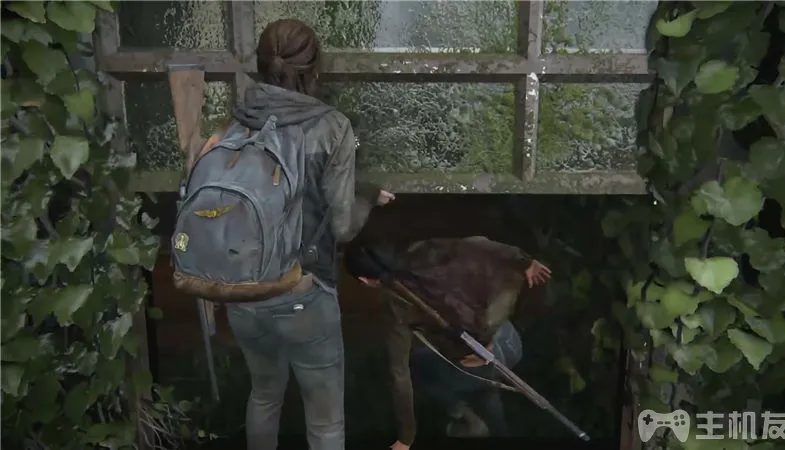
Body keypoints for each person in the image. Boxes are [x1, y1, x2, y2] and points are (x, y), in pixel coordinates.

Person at [217, 19, 394, 450]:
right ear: (315, 67)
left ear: (261, 64)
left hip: (243, 292)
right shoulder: (332, 127)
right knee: (325, 421)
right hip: (303, 292)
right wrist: (368, 198)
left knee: (264, 395)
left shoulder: (236, 125)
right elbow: (342, 226)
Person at [342, 236, 552, 450]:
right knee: (480, 382)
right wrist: (523, 260)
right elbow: (477, 243)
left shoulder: (396, 306)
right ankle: (493, 423)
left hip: (479, 362)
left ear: (364, 280)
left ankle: (465, 416)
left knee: (423, 369)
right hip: (509, 340)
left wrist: (406, 437)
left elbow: (399, 376)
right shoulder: (424, 249)